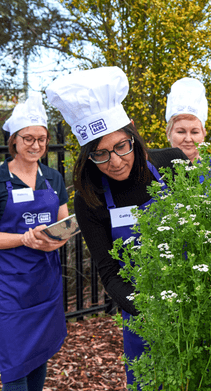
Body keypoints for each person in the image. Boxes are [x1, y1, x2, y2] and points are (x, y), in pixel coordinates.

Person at [45, 66, 188, 388]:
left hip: (196, 298)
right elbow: (109, 270)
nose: (116, 161)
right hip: (142, 312)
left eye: (122, 146)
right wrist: (151, 312)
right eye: (101, 154)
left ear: (133, 133)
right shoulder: (90, 198)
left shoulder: (172, 163)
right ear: (89, 155)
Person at [0, 93, 68, 391]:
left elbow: (63, 224)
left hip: (46, 283)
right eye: (28, 138)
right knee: (14, 365)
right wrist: (23, 239)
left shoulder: (53, 178)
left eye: (41, 138)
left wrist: (55, 241)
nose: (36, 145)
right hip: (10, 288)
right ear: (14, 140)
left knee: (39, 356)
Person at [165, 77, 207, 161]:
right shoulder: (152, 171)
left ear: (203, 134)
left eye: (194, 132)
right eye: (181, 131)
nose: (188, 139)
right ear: (168, 134)